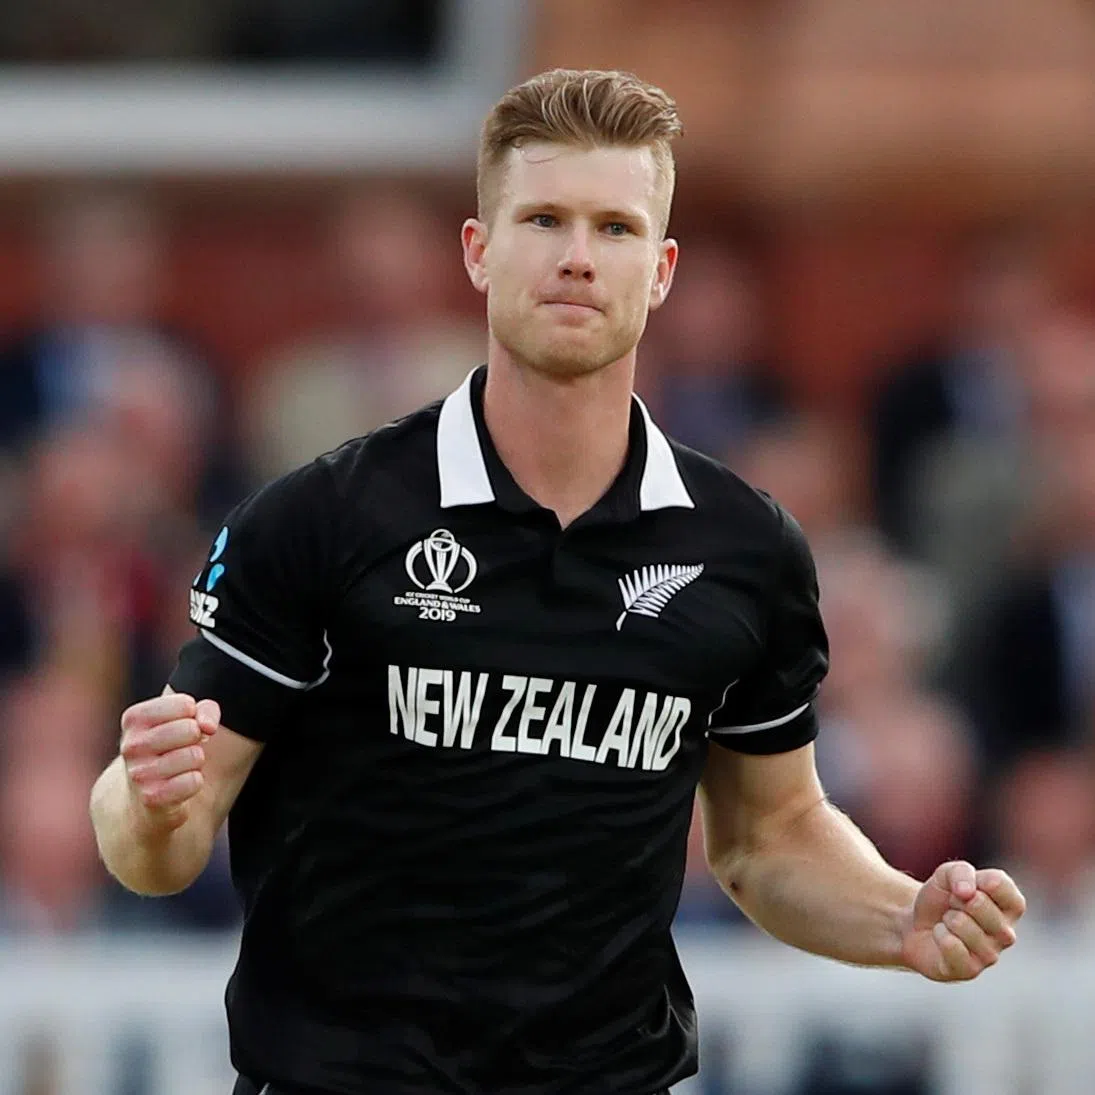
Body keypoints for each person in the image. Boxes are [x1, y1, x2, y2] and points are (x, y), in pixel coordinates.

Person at [89, 69, 1026, 1095]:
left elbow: (770, 837)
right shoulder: (319, 518)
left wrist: (901, 918)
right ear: (479, 251)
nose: (579, 259)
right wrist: (144, 801)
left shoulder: (746, 553)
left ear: (662, 269)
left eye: (616, 229)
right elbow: (159, 848)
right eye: (544, 219)